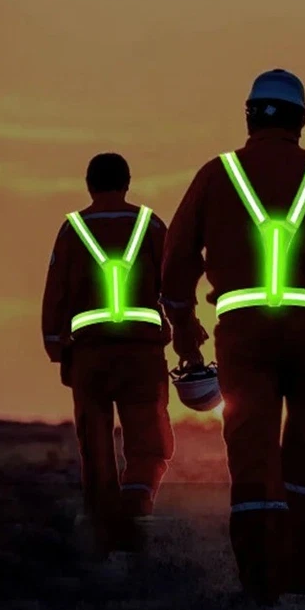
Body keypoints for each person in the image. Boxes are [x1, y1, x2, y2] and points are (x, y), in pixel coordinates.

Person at [161, 68, 305, 605]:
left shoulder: (216, 176)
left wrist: (187, 339)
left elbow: (174, 269)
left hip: (244, 336)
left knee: (252, 450)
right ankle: (304, 567)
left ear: (249, 117)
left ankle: (261, 577)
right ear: (301, 119)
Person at [41, 153, 184, 556]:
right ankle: (136, 508)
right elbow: (174, 286)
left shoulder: (72, 230)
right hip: (142, 357)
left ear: (89, 185)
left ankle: (105, 535)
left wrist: (57, 347)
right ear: (127, 182)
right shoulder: (150, 225)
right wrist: (184, 336)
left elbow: (55, 294)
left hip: (89, 358)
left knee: (96, 446)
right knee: (149, 442)